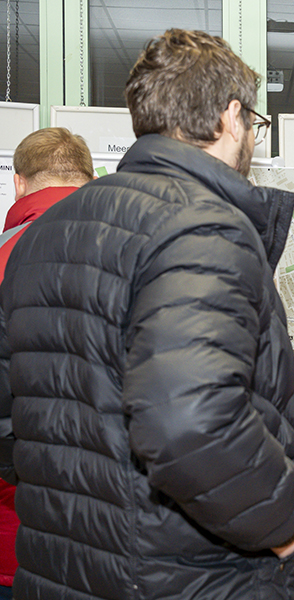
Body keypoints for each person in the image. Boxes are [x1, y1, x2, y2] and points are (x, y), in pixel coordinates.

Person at [0, 29, 294, 600]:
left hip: (64, 566)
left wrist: (91, 495)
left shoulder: (41, 237)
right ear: (229, 116)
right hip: (189, 577)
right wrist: (292, 529)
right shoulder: (202, 227)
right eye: (253, 122)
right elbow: (188, 425)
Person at [0, 127, 94, 600]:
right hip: (114, 528)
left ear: (18, 183)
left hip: (19, 526)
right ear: (90, 179)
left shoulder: (3, 257)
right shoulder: (131, 251)